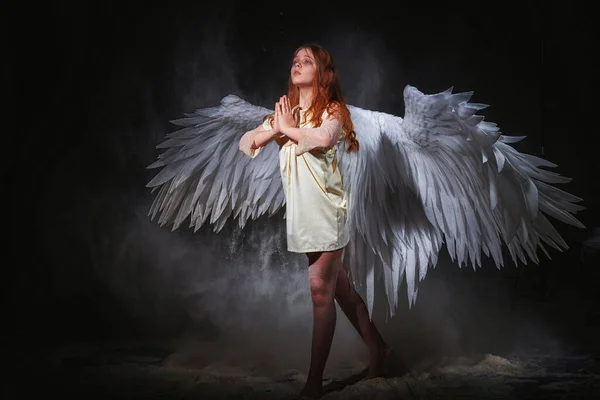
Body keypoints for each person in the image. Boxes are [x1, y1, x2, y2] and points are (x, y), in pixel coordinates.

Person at [239, 43, 391, 399]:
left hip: (327, 214)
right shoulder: (286, 113)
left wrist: (288, 130)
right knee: (339, 289)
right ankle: (381, 349)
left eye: (307, 61)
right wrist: (273, 130)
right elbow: (245, 143)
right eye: (295, 60)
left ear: (325, 75)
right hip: (303, 216)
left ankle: (313, 383)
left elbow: (323, 140)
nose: (298, 64)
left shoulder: (334, 111)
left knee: (319, 290)